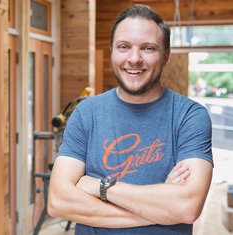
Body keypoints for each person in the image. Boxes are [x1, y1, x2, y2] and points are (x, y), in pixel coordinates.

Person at [48, 4, 213, 235]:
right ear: (112, 52)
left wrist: (99, 186)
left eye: (148, 48)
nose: (134, 59)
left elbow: (186, 208)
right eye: (124, 47)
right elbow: (58, 201)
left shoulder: (189, 116)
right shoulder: (86, 113)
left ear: (165, 56)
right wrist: (158, 210)